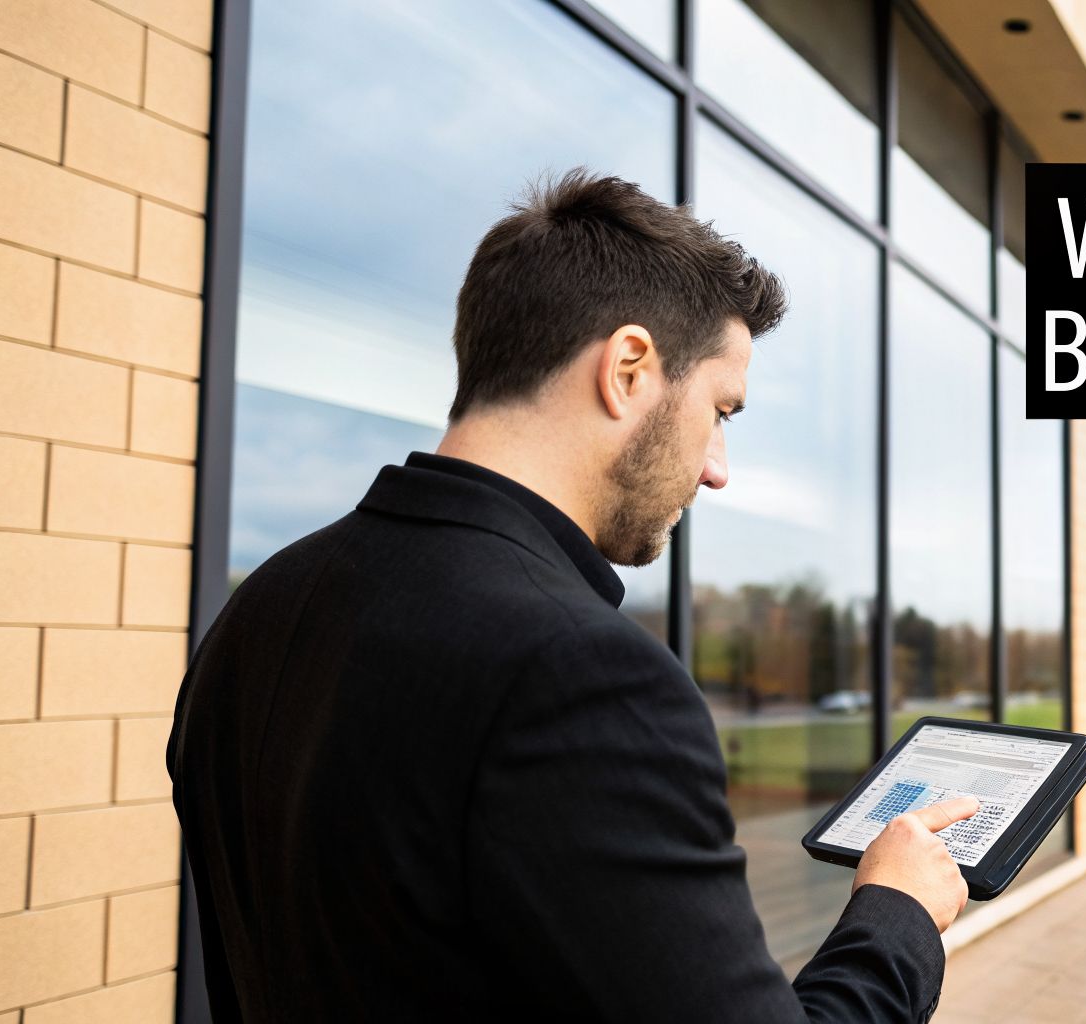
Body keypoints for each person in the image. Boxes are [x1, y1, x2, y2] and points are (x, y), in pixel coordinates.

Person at [167, 170, 977, 1022]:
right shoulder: (581, 673)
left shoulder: (259, 611)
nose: (717, 469)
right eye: (721, 409)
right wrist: (899, 914)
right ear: (629, 369)